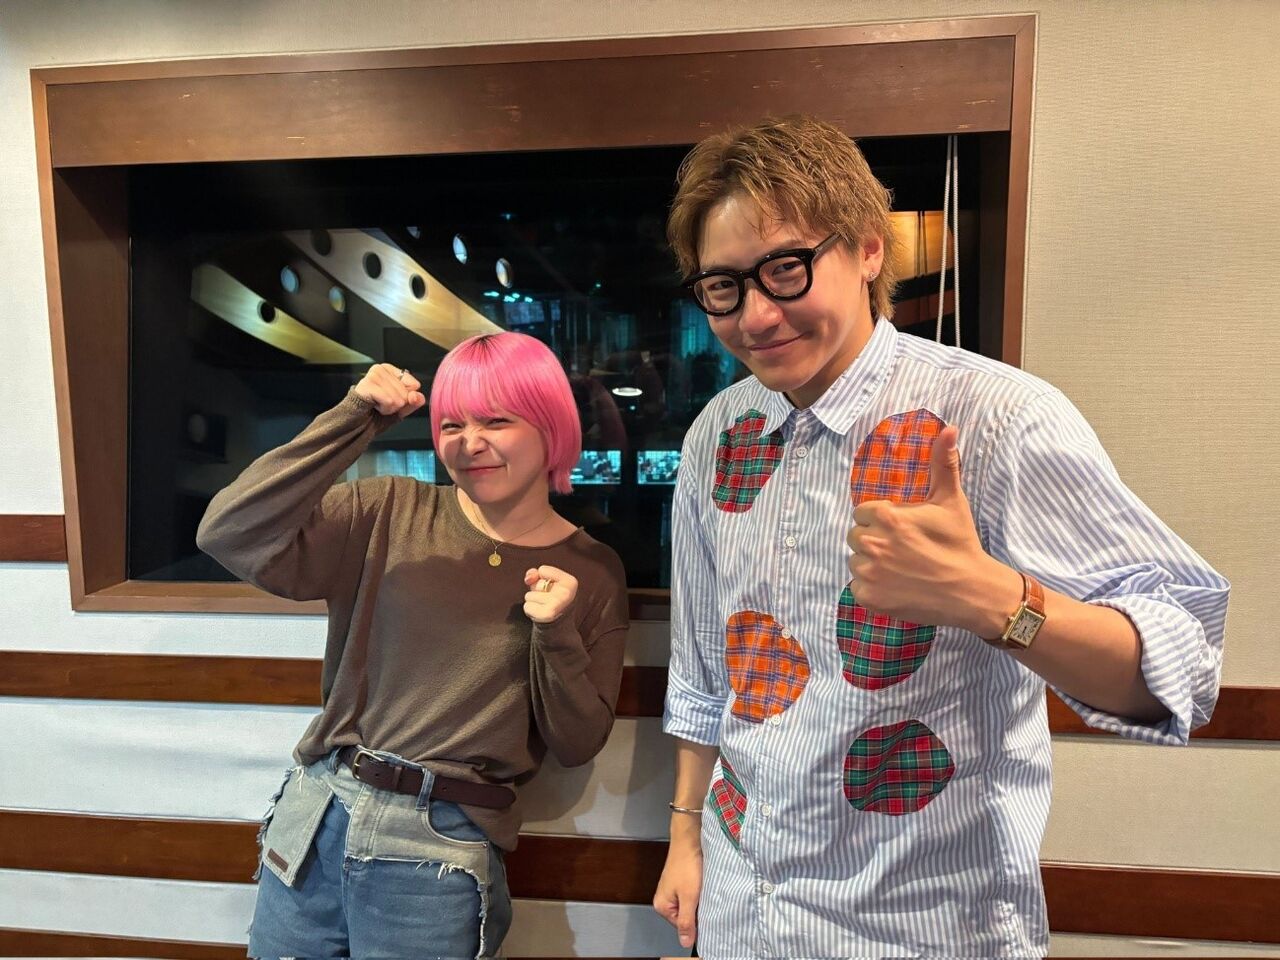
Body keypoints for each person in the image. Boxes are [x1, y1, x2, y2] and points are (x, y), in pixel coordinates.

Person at [651, 116, 1228, 958]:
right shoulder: (718, 435)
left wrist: (994, 601)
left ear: (867, 249)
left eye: (786, 269)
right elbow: (706, 673)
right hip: (746, 912)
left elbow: (1184, 666)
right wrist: (685, 835)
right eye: (723, 287)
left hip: (924, 927)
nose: (757, 315)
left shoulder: (996, 418)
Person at [197, 332, 629, 959]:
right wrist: (355, 417)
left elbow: (577, 741)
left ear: (549, 426)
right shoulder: (387, 509)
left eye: (497, 421)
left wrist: (556, 634)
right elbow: (228, 532)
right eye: (452, 423)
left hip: (438, 843)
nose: (469, 442)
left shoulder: (592, 569)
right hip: (319, 808)